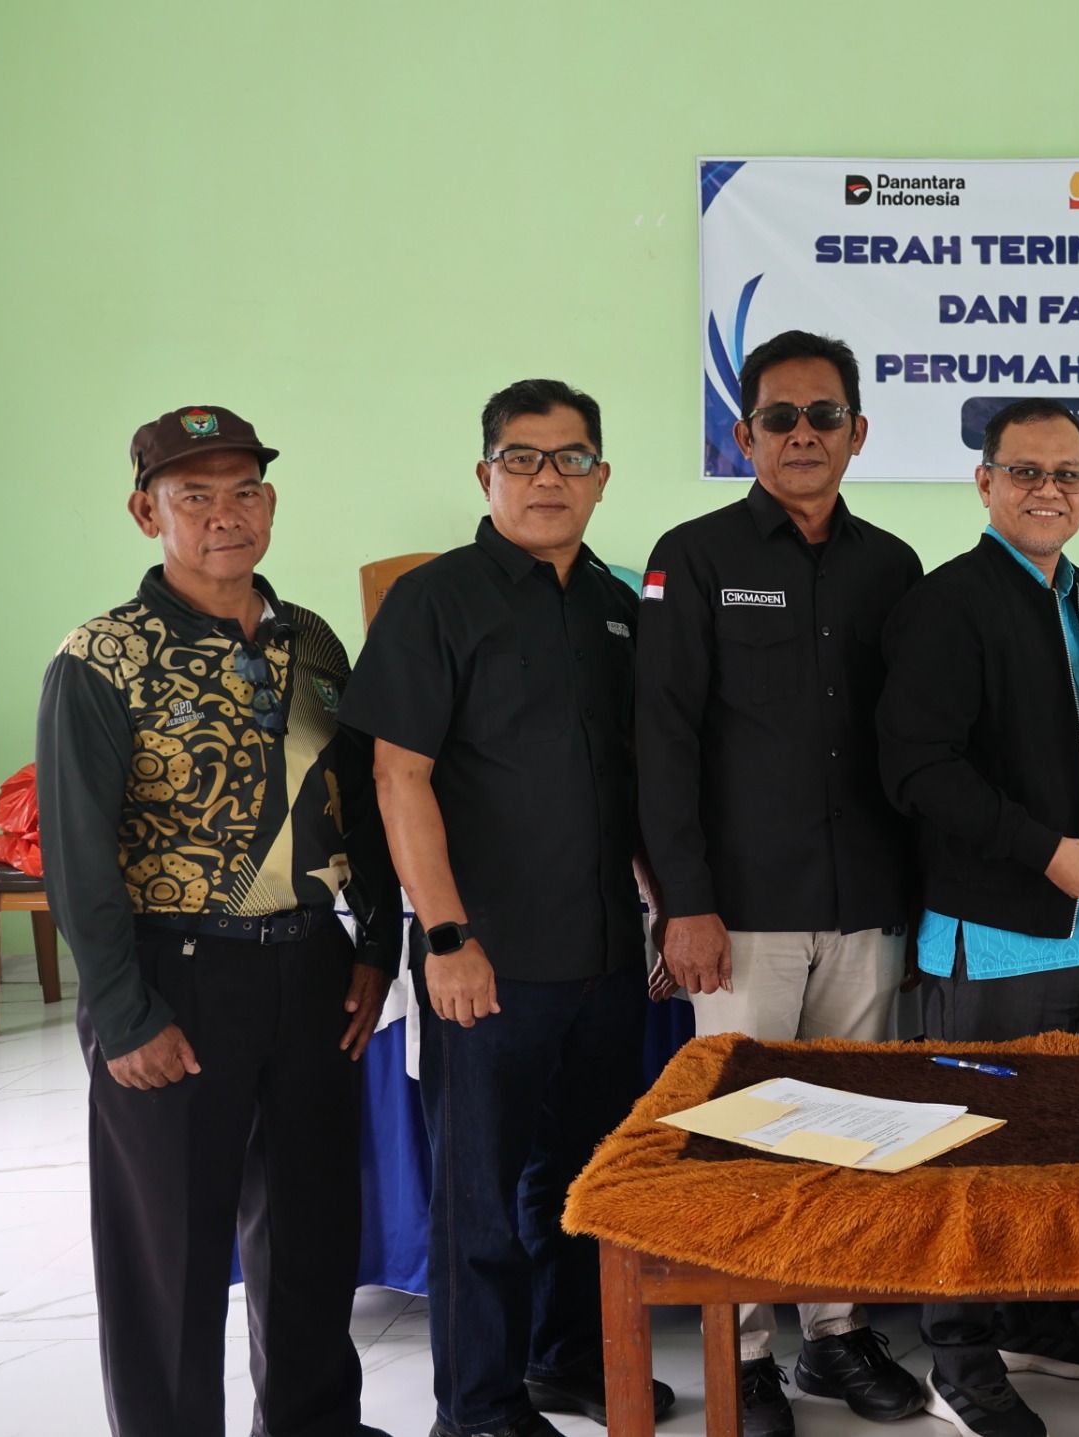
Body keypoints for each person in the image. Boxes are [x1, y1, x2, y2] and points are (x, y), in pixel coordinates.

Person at [38, 405, 399, 1437]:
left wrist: (378, 943)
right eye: (193, 495)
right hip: (175, 975)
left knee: (312, 1229)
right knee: (172, 1250)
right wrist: (124, 1014)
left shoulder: (311, 640)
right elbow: (77, 854)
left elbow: (362, 802)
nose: (223, 515)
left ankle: (313, 1422)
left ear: (270, 504)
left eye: (244, 491)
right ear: (145, 511)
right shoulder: (102, 656)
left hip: (313, 968)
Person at [340, 379, 665, 1437]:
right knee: (479, 1198)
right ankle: (477, 1408)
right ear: (486, 475)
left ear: (601, 478)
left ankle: (565, 1359)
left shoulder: (616, 606)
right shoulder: (436, 600)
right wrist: (445, 936)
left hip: (605, 955)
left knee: (581, 1182)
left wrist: (662, 909)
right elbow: (398, 777)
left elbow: (632, 780)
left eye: (571, 458)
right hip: (486, 958)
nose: (546, 478)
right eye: (522, 458)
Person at [638, 331, 927, 1435]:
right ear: (744, 433)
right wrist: (684, 902)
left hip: (866, 903)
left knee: (849, 1128)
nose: (802, 435)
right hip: (740, 910)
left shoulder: (892, 566)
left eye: (824, 415)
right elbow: (662, 739)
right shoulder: (694, 556)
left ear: (858, 432)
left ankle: (835, 1335)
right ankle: (745, 1350)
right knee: (743, 1131)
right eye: (779, 417)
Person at [875, 397, 1079, 1437]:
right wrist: (1042, 851)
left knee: (1059, 1142)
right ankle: (958, 1357)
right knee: (972, 1153)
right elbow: (917, 770)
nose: (1048, 490)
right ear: (984, 483)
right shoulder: (946, 604)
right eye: (1025, 471)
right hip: (993, 938)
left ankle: (1028, 1316)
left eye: (1068, 473)